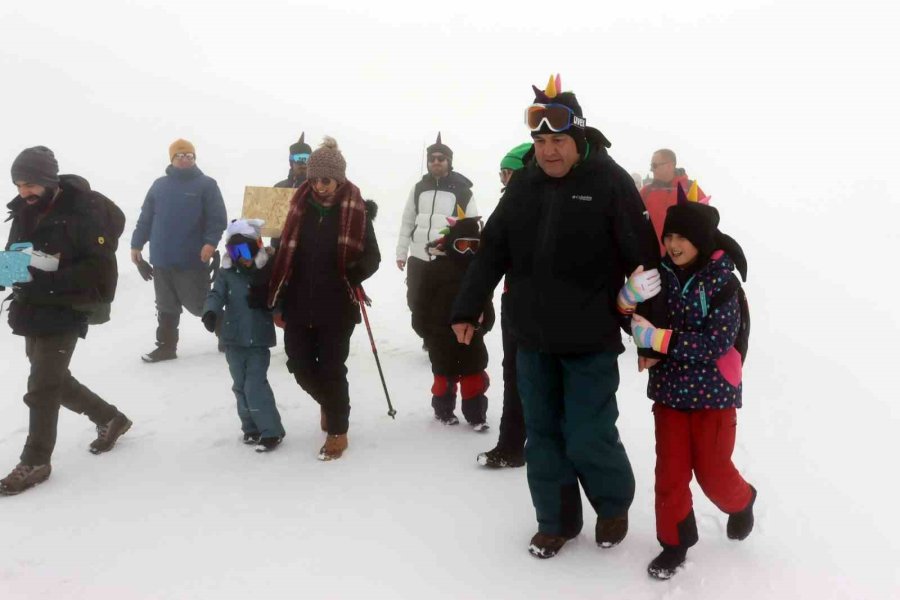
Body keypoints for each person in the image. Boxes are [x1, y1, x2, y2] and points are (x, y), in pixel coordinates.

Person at [451, 75, 661, 559]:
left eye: (558, 141)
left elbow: (642, 261)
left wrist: (648, 335)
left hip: (590, 336)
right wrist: (468, 305)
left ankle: (612, 503)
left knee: (587, 433)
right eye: (540, 141)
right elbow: (493, 250)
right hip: (532, 337)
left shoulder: (609, 182)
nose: (548, 151)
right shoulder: (526, 182)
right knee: (543, 436)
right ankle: (557, 521)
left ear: (579, 138)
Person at [622, 192, 756, 580]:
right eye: (668, 237)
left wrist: (658, 341)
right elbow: (634, 318)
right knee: (670, 474)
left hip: (714, 395)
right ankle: (675, 542)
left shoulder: (722, 284)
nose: (673, 245)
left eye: (682, 237)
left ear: (702, 239)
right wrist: (626, 299)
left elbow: (716, 343)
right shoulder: (658, 275)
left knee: (713, 472)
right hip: (669, 394)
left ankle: (743, 500)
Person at [0, 147, 131, 495]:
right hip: (32, 309)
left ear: (47, 180)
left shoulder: (82, 212)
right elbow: (15, 256)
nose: (22, 192)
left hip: (66, 309)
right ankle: (109, 418)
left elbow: (99, 270)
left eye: (28, 184)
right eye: (17, 185)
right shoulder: (24, 212)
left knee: (42, 386)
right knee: (55, 380)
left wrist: (47, 279)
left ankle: (36, 460)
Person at [267, 137, 380, 461]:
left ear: (339, 178)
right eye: (314, 179)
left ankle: (337, 429)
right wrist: (274, 294)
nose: (319, 185)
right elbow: (280, 254)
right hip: (299, 302)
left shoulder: (355, 208)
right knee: (299, 364)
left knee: (331, 368)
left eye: (325, 179)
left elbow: (372, 257)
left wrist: (355, 272)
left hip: (337, 305)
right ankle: (332, 404)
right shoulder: (296, 206)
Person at [130, 139, 228, 363]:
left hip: (192, 258)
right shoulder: (159, 185)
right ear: (171, 159)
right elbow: (145, 218)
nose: (185, 159)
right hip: (162, 258)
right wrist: (136, 245)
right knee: (165, 305)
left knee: (200, 305)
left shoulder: (207, 185)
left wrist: (210, 243)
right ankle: (166, 347)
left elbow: (217, 219)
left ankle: (228, 335)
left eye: (189, 156)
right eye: (180, 156)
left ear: (195, 159)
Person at [202, 219, 285, 452]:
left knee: (254, 385)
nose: (241, 256)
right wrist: (210, 312)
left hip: (258, 339)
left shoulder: (266, 272)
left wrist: (275, 307)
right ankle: (251, 427)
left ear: (257, 246)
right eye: (234, 251)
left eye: (246, 250)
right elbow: (216, 294)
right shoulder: (227, 274)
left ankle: (271, 431)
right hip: (233, 339)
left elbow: (279, 299)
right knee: (239, 386)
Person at [477, 142, 531, 469]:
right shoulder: (509, 203)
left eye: (508, 171)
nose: (504, 178)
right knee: (513, 375)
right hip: (513, 301)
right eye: (502, 172)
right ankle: (511, 446)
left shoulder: (538, 205)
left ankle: (541, 447)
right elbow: (492, 257)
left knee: (533, 379)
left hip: (541, 308)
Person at [413, 216, 494, 429]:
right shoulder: (434, 269)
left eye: (473, 245)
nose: (467, 251)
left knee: (474, 376)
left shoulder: (479, 269)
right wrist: (424, 329)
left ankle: (476, 415)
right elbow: (421, 301)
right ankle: (443, 411)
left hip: (471, 333)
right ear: (452, 243)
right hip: (440, 335)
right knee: (444, 377)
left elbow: (485, 298)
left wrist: (486, 323)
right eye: (462, 245)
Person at [396, 133, 477, 342]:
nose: (436, 162)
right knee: (415, 303)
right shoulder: (418, 188)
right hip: (418, 257)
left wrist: (468, 259)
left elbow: (471, 228)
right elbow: (407, 221)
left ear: (449, 161)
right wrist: (401, 253)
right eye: (432, 159)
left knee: (442, 303)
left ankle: (438, 341)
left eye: (440, 158)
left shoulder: (462, 190)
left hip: (446, 259)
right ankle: (428, 335)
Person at [640, 149, 705, 255]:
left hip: (684, 260)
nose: (652, 170)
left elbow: (707, 223)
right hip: (652, 258)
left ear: (670, 165)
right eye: (651, 166)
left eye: (655, 165)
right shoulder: (646, 192)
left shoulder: (691, 189)